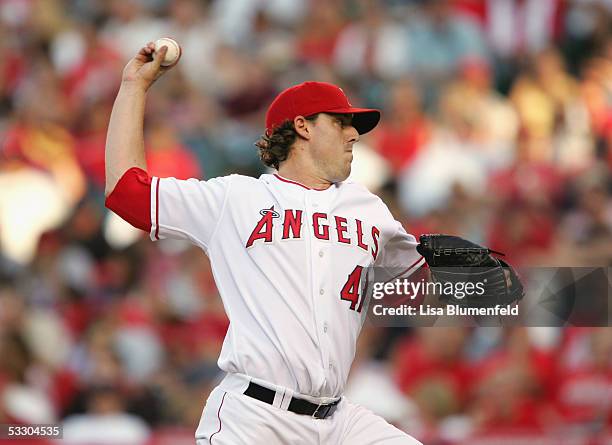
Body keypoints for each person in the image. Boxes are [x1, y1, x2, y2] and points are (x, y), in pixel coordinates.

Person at [105, 42, 424, 444]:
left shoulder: (369, 207)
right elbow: (126, 194)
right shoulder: (235, 199)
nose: (352, 133)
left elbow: (426, 282)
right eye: (341, 122)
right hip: (255, 417)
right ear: (303, 126)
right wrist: (134, 87)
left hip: (339, 420)